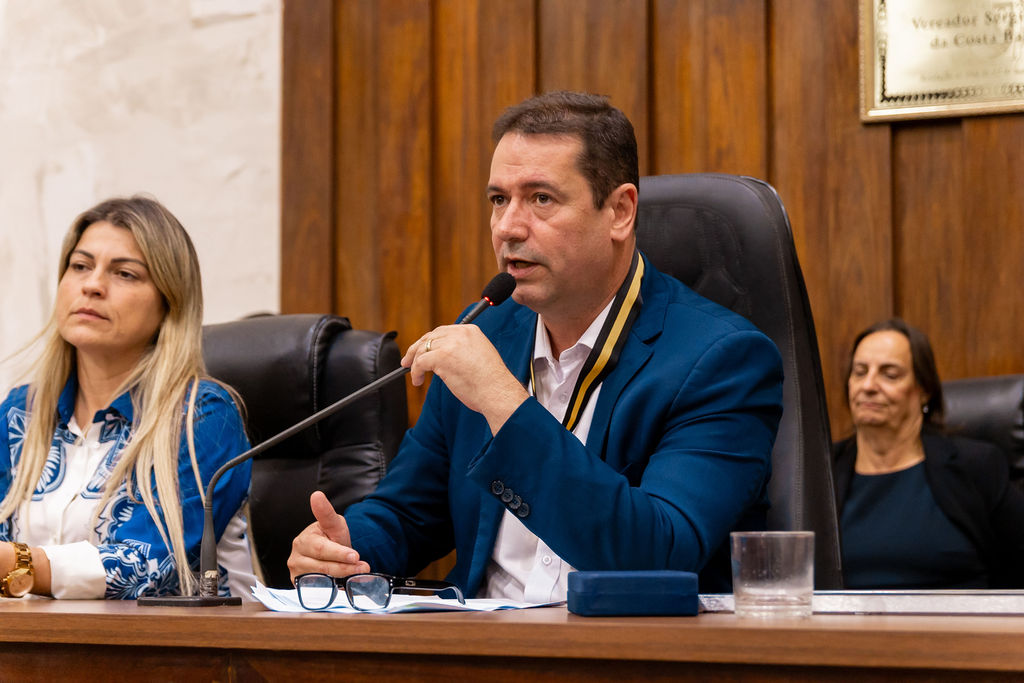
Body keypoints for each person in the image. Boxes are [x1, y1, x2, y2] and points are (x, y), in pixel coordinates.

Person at [288, 90, 783, 599]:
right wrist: (346, 547)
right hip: (483, 638)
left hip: (626, 644)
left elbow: (658, 553)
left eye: (541, 199)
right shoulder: (488, 335)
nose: (507, 227)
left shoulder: (723, 361)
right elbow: (408, 513)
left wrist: (503, 401)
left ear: (619, 211)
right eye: (499, 200)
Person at [0, 196, 255, 600]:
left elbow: (147, 568)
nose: (92, 285)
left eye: (124, 274)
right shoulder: (21, 412)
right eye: (80, 266)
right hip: (35, 637)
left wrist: (19, 565)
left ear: (169, 303)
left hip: (180, 640)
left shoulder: (200, 417)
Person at [834, 318, 1024, 589]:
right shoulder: (820, 472)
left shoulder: (976, 467)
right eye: (860, 372)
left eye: (890, 375)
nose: (869, 385)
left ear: (924, 390)